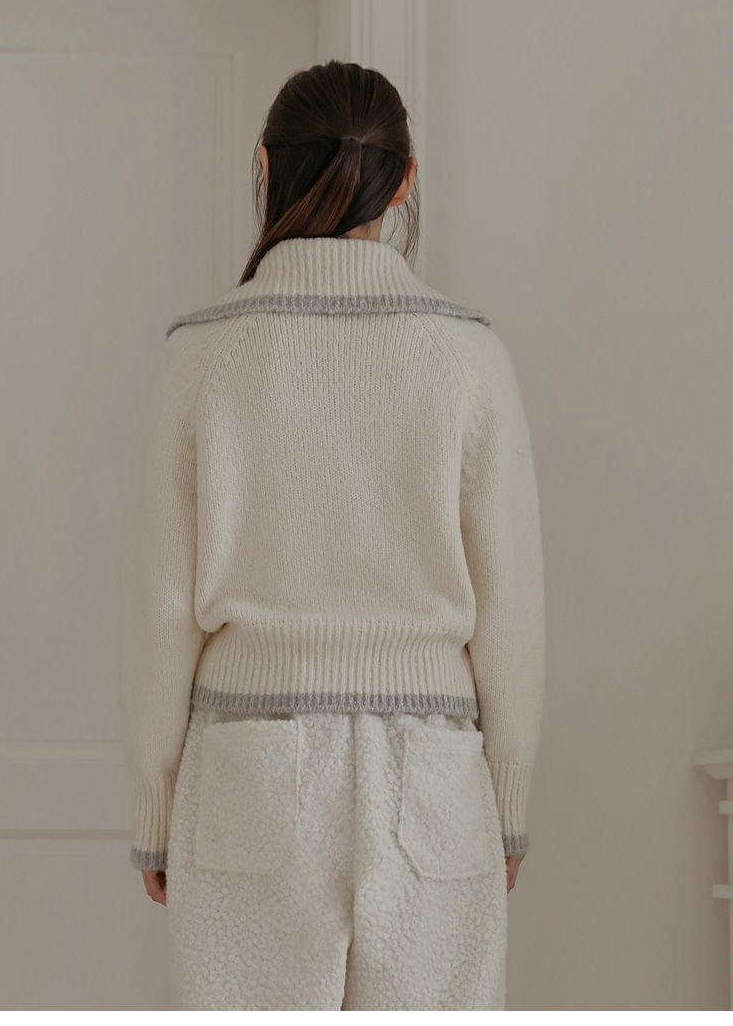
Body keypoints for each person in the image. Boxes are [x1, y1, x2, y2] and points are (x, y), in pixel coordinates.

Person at [121, 58, 545, 1011]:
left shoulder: (201, 353)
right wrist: (508, 803)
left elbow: (159, 605)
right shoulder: (470, 354)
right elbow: (511, 602)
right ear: (405, 181)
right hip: (434, 780)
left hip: (248, 772)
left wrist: (154, 804)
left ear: (265, 166)